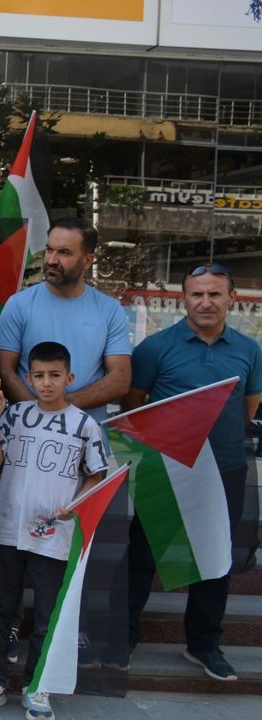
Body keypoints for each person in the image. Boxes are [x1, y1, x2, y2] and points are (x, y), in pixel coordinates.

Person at [104, 262, 262, 681]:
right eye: (197, 294)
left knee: (215, 556)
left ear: (232, 299)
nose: (205, 302)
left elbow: (248, 407)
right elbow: (135, 404)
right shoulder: (155, 347)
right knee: (143, 554)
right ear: (184, 299)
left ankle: (204, 645)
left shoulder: (250, 350)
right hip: (166, 468)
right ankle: (122, 638)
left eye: (215, 294)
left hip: (224, 469)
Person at [0, 342, 107, 719]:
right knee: (0, 609)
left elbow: (96, 474)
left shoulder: (85, 424)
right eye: (40, 376)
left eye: (55, 375)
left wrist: (76, 504)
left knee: (46, 614)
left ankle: (37, 684)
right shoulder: (14, 414)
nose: (47, 383)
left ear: (69, 377)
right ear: (28, 378)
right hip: (9, 528)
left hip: (54, 533)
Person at [0, 217, 131, 426]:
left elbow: (119, 380)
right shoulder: (18, 304)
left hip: (86, 436)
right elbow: (5, 372)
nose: (51, 260)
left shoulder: (110, 310)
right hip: (25, 433)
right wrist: (39, 416)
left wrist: (56, 409)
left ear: (87, 261)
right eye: (49, 250)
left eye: (64, 252)